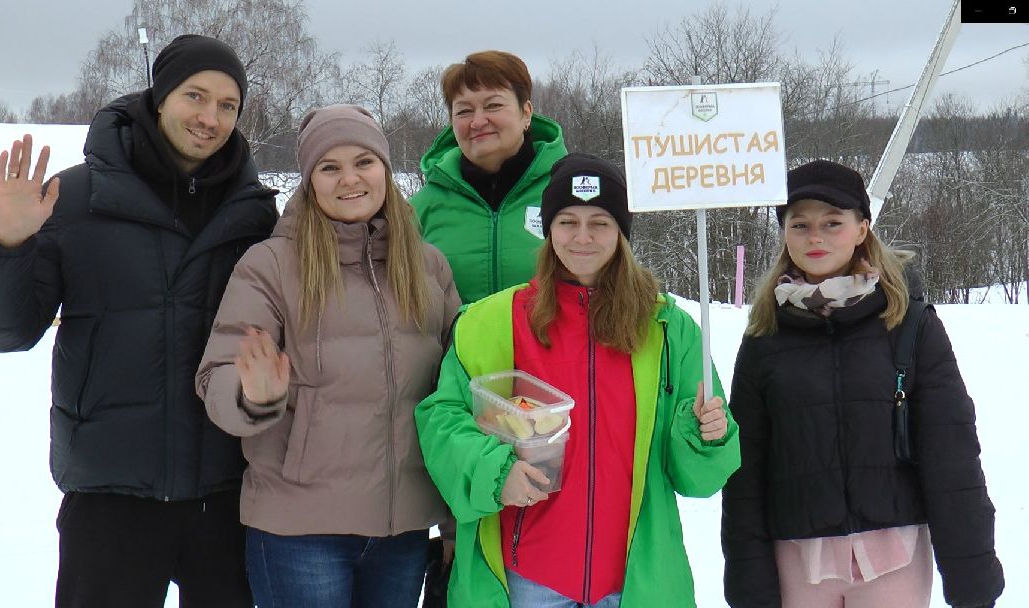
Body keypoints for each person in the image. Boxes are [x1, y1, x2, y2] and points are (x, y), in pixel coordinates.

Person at [0, 35, 277, 607]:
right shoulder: (75, 197)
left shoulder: (255, 212)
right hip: (111, 491)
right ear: (159, 97)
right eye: (195, 96)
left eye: (228, 105)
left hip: (227, 491)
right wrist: (9, 243)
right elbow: (6, 332)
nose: (210, 117)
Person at [416, 153, 741, 607]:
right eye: (567, 221)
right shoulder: (490, 322)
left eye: (600, 222)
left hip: (631, 579)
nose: (582, 237)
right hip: (527, 576)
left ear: (622, 232)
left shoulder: (666, 328)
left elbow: (697, 478)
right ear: (548, 229)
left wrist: (708, 435)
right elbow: (442, 419)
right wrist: (496, 471)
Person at [195, 104, 461, 608]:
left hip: (401, 531)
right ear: (309, 181)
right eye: (329, 167)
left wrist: (452, 518)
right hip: (299, 532)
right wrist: (253, 395)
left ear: (385, 168)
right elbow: (218, 376)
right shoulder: (271, 265)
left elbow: (452, 398)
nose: (350, 180)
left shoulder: (428, 267)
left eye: (364, 162)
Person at [721, 160, 1005, 608]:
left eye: (833, 222)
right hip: (798, 560)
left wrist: (971, 568)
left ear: (862, 229)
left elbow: (951, 453)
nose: (815, 236)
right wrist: (748, 577)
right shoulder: (764, 338)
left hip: (895, 556)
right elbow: (745, 472)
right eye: (800, 224)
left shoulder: (911, 325)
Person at [410, 50, 568, 304]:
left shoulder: (567, 192)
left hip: (553, 344)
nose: (478, 121)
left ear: (526, 113)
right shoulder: (420, 209)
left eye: (493, 105)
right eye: (464, 111)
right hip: (455, 345)